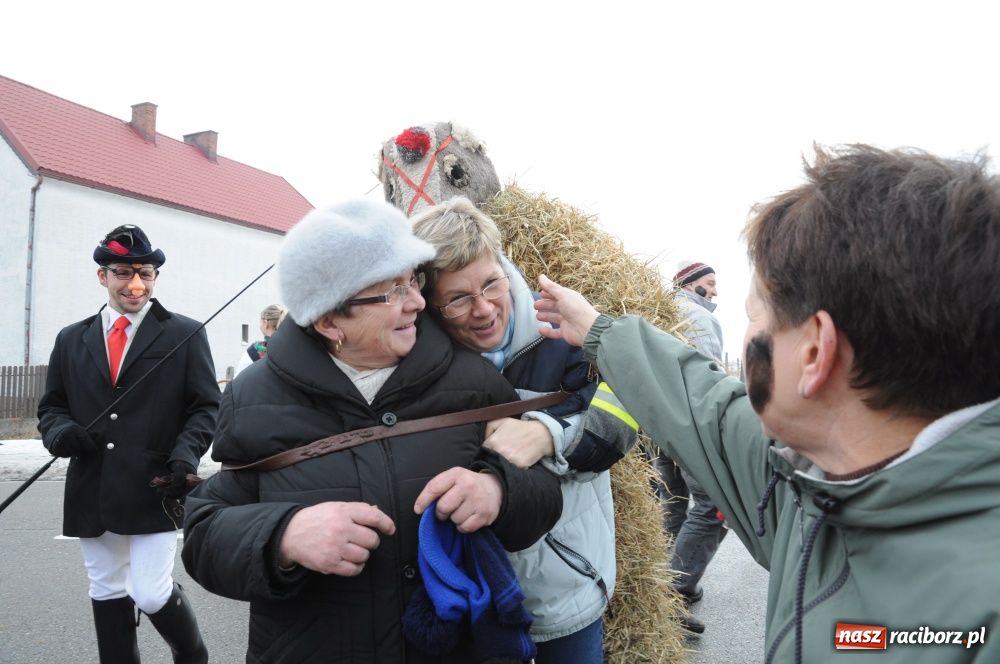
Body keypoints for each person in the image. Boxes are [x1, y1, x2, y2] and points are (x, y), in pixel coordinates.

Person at [532, 145, 1000, 663]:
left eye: (756, 316)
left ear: (816, 352)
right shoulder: (817, 488)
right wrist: (599, 330)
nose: (747, 334)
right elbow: (706, 407)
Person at [181, 199, 563, 663]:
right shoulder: (254, 395)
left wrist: (497, 490)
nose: (418, 302)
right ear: (328, 321)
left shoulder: (472, 379)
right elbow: (203, 532)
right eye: (391, 292)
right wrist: (283, 535)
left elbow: (543, 493)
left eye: (413, 280)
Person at [411, 197, 638, 663]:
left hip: (565, 589)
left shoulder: (563, 331)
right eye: (457, 299)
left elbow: (625, 419)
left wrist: (547, 435)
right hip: (477, 598)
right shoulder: (418, 361)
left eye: (491, 284)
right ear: (429, 304)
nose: (484, 309)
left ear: (502, 264)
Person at [37, 224, 219, 664]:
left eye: (146, 273)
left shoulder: (185, 334)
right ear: (103, 276)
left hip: (156, 483)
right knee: (106, 589)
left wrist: (185, 455)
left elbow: (205, 407)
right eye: (123, 273)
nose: (135, 284)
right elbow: (52, 408)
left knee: (151, 592)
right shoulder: (71, 338)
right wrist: (61, 433)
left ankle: (193, 657)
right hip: (92, 485)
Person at [656, 260, 727, 631]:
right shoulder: (694, 315)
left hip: (662, 421)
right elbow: (705, 373)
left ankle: (661, 582)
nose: (715, 291)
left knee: (675, 500)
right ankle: (676, 589)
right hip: (690, 423)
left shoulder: (664, 310)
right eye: (710, 283)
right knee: (715, 503)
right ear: (691, 284)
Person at [233, 303, 287, 377]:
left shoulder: (256, 349)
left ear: (266, 323)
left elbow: (238, 379)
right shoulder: (290, 348)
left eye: (260, 321)